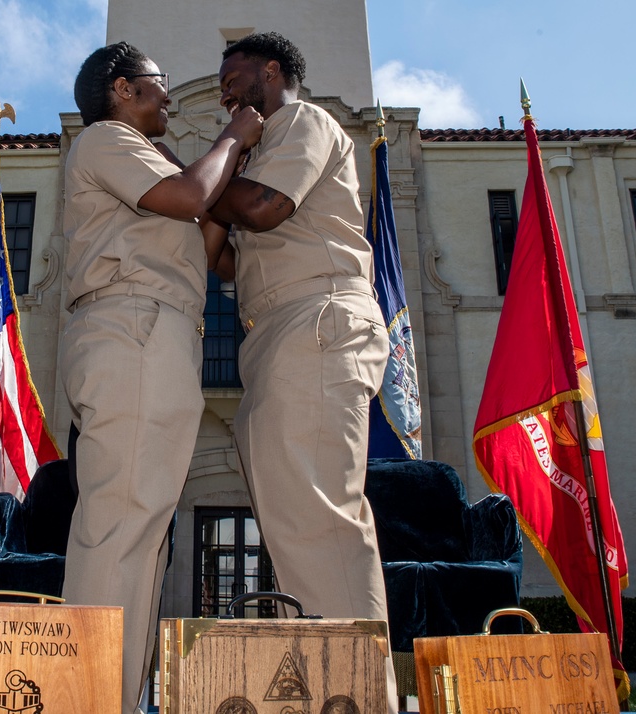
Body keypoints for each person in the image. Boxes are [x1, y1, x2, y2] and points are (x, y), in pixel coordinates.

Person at [61, 42, 262, 714]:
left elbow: (207, 241)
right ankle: (89, 700)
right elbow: (189, 196)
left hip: (164, 334)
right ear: (123, 89)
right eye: (159, 83)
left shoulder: (147, 157)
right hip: (133, 330)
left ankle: (119, 695)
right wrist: (233, 135)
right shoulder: (103, 140)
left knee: (145, 534)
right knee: (120, 525)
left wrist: (221, 189)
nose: (170, 97)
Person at [206, 32, 399, 712]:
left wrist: (216, 161)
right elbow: (231, 261)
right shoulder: (260, 152)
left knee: (321, 519)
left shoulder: (301, 122)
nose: (226, 88)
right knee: (292, 526)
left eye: (234, 75)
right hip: (275, 334)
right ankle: (324, 690)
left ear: (273, 71)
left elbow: (263, 208)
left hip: (317, 319)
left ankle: (357, 695)